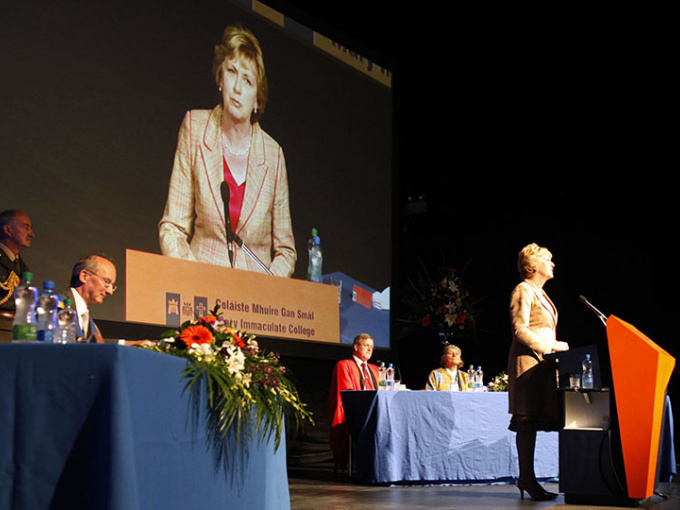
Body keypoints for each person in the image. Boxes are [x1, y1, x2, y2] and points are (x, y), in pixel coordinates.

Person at [159, 23, 296, 277]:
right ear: (220, 77)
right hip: (201, 290)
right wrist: (196, 280)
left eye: (248, 80)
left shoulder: (273, 155)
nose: (237, 88)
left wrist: (268, 291)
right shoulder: (195, 128)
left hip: (255, 300)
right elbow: (173, 227)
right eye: (232, 72)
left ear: (258, 98)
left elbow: (286, 251)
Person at [507, 243, 569, 500]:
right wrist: (550, 346)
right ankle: (527, 478)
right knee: (526, 420)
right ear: (534, 265)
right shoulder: (523, 289)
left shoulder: (540, 293)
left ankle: (528, 478)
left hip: (542, 364)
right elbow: (519, 329)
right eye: (548, 259)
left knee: (532, 421)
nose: (553, 264)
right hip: (528, 362)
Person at [327, 333, 380, 469]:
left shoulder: (375, 369)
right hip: (355, 413)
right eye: (366, 345)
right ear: (356, 347)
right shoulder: (344, 365)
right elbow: (347, 394)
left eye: (372, 347)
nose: (369, 350)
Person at [63, 253, 117, 343]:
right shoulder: (56, 307)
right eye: (106, 281)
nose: (110, 292)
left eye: (112, 286)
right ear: (84, 276)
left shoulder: (91, 324)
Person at [0, 210, 35, 342]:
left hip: (17, 336)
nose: (32, 234)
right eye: (26, 227)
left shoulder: (23, 268)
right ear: (8, 230)